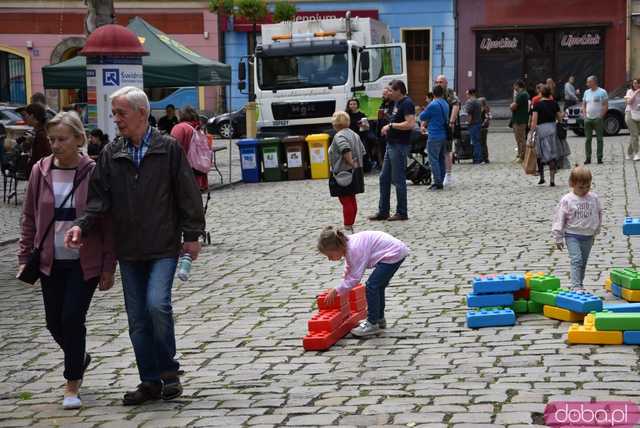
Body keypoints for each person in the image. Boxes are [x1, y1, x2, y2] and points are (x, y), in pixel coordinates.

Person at [64, 86, 205, 406]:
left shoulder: (167, 148)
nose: (116, 120)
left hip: (163, 246)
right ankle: (150, 381)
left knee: (157, 305)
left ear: (142, 113)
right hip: (128, 249)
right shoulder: (112, 154)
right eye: (113, 113)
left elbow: (187, 193)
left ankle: (169, 371)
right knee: (137, 319)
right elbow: (98, 202)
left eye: (120, 113)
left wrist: (193, 236)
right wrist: (80, 226)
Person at [17, 111, 116, 410]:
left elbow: (108, 223)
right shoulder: (40, 170)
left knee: (72, 319)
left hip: (82, 261)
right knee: (53, 322)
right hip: (50, 259)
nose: (55, 145)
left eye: (62, 139)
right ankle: (79, 356)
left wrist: (108, 266)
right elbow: (30, 217)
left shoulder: (94, 171)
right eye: (52, 139)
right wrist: (24, 256)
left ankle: (71, 383)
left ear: (78, 139)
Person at [318, 226, 408, 337]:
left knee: (372, 286)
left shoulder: (354, 249)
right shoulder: (348, 245)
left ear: (338, 247)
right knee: (378, 286)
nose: (329, 259)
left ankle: (372, 323)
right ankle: (378, 319)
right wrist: (342, 283)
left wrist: (337, 290)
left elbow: (355, 278)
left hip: (393, 253)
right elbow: (350, 267)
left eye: (330, 255)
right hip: (395, 250)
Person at [369, 80, 415, 222]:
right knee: (384, 178)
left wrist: (391, 125)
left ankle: (402, 212)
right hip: (391, 144)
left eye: (391, 90)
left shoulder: (407, 103)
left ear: (399, 90)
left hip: (399, 145)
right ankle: (383, 211)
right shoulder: (397, 103)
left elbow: (410, 124)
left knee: (398, 179)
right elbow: (397, 119)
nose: (389, 93)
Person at [552, 165, 602, 291]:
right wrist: (558, 237)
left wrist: (595, 231)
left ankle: (580, 283)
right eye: (581, 187)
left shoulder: (593, 198)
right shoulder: (567, 200)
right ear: (572, 184)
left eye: (588, 186)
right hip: (572, 235)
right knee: (577, 260)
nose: (584, 190)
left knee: (583, 262)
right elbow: (559, 218)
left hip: (588, 236)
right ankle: (576, 286)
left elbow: (598, 213)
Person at [328, 111, 366, 232]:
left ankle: (347, 224)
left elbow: (345, 149)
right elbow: (363, 151)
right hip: (356, 171)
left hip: (344, 172)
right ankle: (350, 222)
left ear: (335, 124)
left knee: (345, 200)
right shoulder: (355, 134)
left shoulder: (339, 136)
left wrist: (350, 162)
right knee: (352, 198)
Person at [531, 85, 566, 187]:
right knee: (552, 154)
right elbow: (559, 118)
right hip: (552, 129)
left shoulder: (537, 104)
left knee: (540, 153)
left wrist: (531, 132)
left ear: (541, 93)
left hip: (541, 130)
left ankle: (542, 177)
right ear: (549, 93)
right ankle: (552, 180)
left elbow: (534, 121)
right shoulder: (554, 103)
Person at [171, 105, 209, 190]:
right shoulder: (198, 128)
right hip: (199, 172)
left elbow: (173, 148)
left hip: (184, 173)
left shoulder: (180, 128)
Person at [418, 85, 448, 190]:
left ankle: (437, 182)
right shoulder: (445, 103)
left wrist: (424, 109)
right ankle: (442, 179)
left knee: (433, 159)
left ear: (433, 94)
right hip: (444, 135)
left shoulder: (433, 104)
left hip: (434, 135)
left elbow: (422, 116)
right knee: (441, 158)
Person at [435, 75, 459, 187]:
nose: (439, 84)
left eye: (441, 82)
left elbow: (455, 106)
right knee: (437, 151)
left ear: (446, 83)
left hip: (446, 126)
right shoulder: (435, 93)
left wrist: (451, 122)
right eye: (437, 82)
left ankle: (448, 175)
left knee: (447, 150)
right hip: (436, 127)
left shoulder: (449, 93)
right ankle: (439, 174)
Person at [582, 75, 608, 164]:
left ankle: (599, 157)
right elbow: (584, 105)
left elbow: (605, 105)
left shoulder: (602, 92)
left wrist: (601, 116)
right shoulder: (586, 92)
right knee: (588, 139)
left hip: (598, 119)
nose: (587, 84)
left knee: (599, 139)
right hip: (588, 119)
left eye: (588, 82)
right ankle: (588, 158)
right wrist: (585, 116)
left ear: (594, 82)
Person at [22, 103, 52, 174]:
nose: (25, 118)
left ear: (32, 116)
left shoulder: (41, 134)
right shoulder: (40, 131)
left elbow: (42, 158)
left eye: (26, 115)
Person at [345, 98, 373, 171]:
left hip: (360, 136)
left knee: (363, 152)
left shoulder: (362, 115)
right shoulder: (346, 115)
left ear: (357, 105)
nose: (352, 106)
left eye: (354, 104)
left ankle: (363, 167)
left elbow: (367, 127)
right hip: (350, 136)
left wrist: (363, 125)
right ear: (348, 105)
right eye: (351, 104)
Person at [511, 80, 529, 162]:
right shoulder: (522, 94)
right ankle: (520, 155)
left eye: (514, 86)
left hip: (519, 120)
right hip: (519, 119)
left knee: (520, 138)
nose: (514, 88)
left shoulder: (522, 95)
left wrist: (511, 106)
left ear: (518, 86)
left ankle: (523, 156)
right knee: (519, 139)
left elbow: (513, 106)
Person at [463, 88, 482, 164]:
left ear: (470, 94)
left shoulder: (470, 102)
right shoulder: (478, 101)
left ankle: (477, 158)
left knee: (474, 142)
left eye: (467, 94)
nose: (466, 95)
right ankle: (479, 158)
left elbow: (469, 114)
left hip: (473, 124)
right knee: (477, 141)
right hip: (478, 123)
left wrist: (468, 122)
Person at [624, 78, 640, 161]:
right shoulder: (629, 91)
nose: (636, 85)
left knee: (634, 135)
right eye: (634, 83)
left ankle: (629, 153)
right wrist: (636, 92)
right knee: (635, 134)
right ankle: (637, 154)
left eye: (637, 83)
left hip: (638, 114)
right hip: (629, 114)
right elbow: (629, 102)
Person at [479, 97, 491, 164]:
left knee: (482, 143)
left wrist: (482, 124)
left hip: (483, 128)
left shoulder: (485, 109)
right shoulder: (482, 109)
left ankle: (484, 158)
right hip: (482, 127)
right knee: (482, 143)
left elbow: (487, 118)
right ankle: (484, 158)